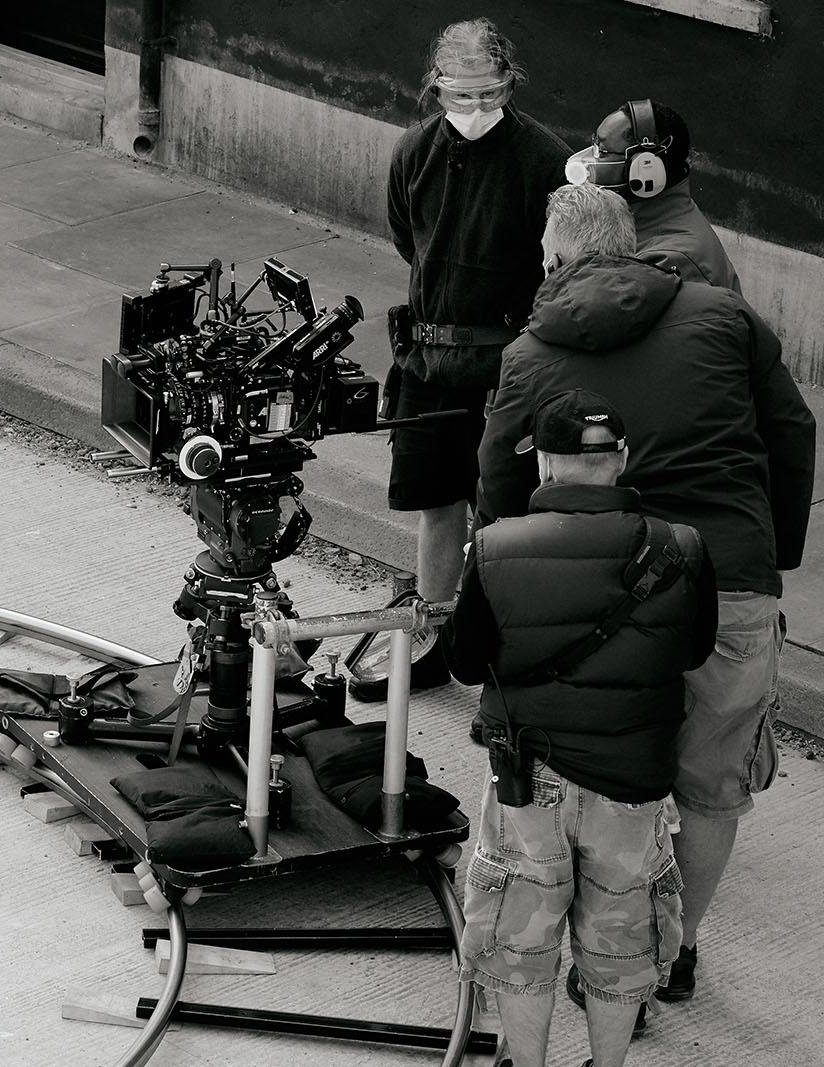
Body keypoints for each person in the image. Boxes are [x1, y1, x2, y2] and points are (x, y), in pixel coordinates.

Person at [478, 183, 815, 1009]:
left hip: (593, 585)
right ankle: (675, 951)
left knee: (585, 776)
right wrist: (767, 551)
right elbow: (793, 429)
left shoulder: (529, 354)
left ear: (553, 258)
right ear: (631, 243)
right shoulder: (722, 315)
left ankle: (588, 954)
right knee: (711, 780)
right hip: (729, 579)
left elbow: (497, 479)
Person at [446, 388, 716, 1067]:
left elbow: (463, 661)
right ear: (621, 459)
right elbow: (695, 651)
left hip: (526, 784)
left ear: (545, 466)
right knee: (621, 942)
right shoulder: (681, 549)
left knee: (520, 937)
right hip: (633, 783)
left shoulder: (494, 549)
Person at [381, 16, 570, 693]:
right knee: (436, 506)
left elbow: (560, 270)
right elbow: (411, 240)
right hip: (429, 360)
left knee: (506, 517)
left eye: (489, 95)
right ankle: (434, 636)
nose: (475, 110)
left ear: (510, 85)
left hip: (507, 368)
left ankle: (502, 652)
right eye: (461, 96)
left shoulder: (545, 161)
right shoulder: (414, 152)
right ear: (436, 89)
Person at [564, 99, 741, 291]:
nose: (586, 161)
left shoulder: (670, 261)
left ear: (645, 168)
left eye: (602, 151)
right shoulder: (635, 224)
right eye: (594, 145)